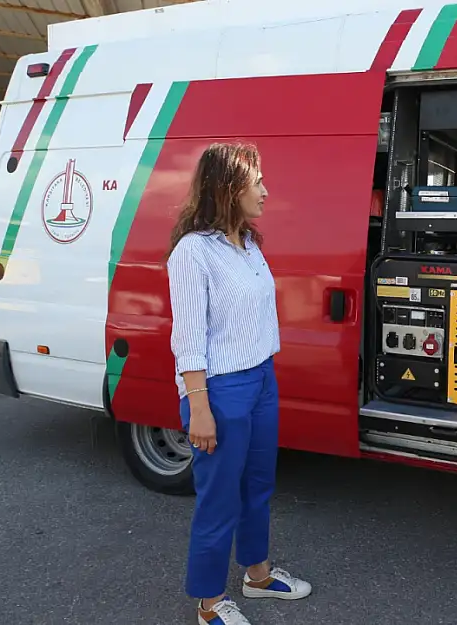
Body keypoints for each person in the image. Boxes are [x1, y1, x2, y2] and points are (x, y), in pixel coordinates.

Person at [166, 142, 312, 625]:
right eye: (257, 182)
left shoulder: (248, 244)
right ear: (229, 189)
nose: (266, 192)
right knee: (219, 497)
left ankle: (258, 576)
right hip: (220, 389)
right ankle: (208, 605)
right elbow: (188, 337)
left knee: (258, 486)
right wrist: (200, 407)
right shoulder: (193, 252)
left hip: (261, 379)